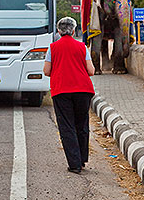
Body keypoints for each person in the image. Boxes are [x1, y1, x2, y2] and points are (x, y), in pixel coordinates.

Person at [43, 17, 95, 174]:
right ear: (74, 31)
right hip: (83, 90)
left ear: (58, 31)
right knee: (82, 124)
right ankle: (82, 159)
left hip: (61, 90)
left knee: (67, 126)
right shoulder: (82, 47)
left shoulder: (53, 47)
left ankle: (74, 164)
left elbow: (46, 71)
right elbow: (91, 71)